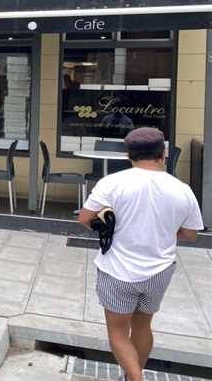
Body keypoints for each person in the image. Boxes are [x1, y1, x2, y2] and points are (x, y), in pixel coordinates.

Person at [79, 128, 204, 381]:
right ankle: (132, 375)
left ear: (129, 154)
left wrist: (108, 225)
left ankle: (136, 377)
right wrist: (164, 231)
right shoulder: (182, 189)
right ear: (163, 154)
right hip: (159, 271)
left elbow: (84, 218)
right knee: (143, 325)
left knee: (117, 332)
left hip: (117, 270)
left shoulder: (112, 182)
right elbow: (191, 234)